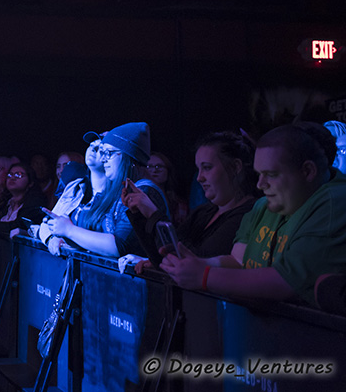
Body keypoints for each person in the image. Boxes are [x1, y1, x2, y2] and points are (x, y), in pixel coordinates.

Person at [160, 123, 346, 308]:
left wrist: (204, 276)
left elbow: (286, 282)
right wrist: (198, 264)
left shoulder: (335, 203)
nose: (260, 184)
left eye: (271, 174)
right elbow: (239, 261)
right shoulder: (263, 205)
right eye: (259, 174)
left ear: (307, 171)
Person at [126, 131, 258, 262]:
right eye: (198, 169)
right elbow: (163, 254)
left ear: (235, 167)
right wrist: (138, 214)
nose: (199, 178)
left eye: (207, 167)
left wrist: (153, 214)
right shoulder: (203, 212)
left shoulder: (249, 214)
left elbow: (196, 261)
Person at [43, 122, 168, 258]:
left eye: (109, 153)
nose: (103, 159)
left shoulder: (143, 191)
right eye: (102, 153)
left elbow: (119, 246)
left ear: (129, 155)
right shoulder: (118, 191)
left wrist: (69, 230)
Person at [143, 152, 190, 227]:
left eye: (159, 166)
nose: (154, 170)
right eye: (149, 166)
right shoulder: (138, 198)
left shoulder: (179, 204)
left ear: (168, 171)